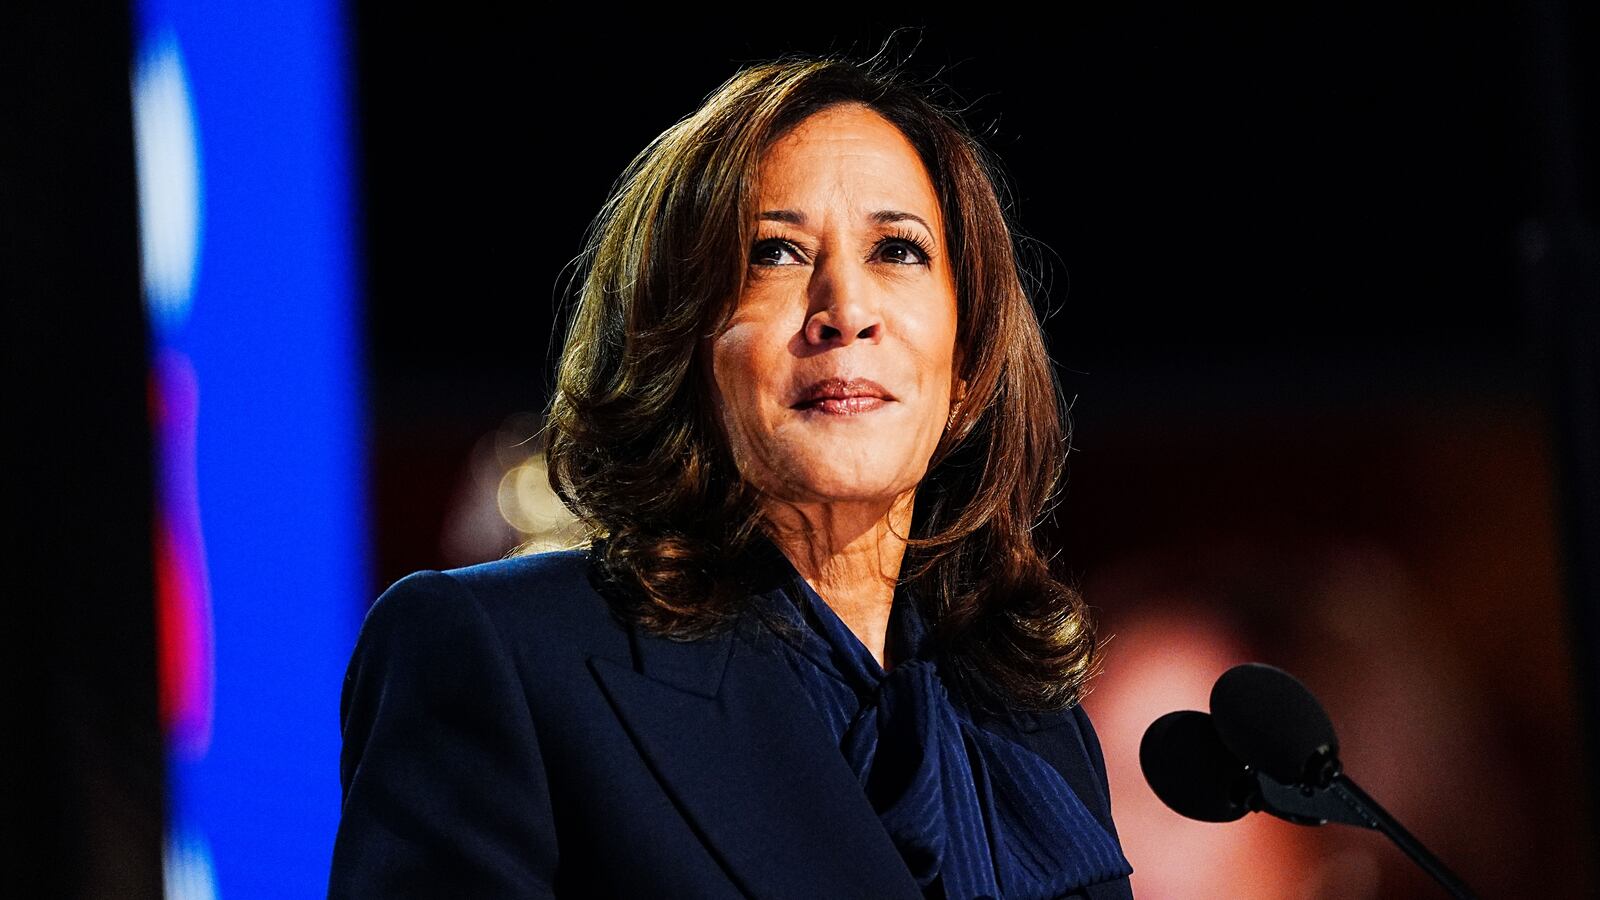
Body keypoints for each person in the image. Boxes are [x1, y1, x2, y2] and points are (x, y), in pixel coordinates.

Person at [329, 50, 1134, 899]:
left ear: (967, 364)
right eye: (775, 253)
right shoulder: (502, 656)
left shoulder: (1029, 729)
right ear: (676, 345)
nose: (846, 311)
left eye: (898, 250)